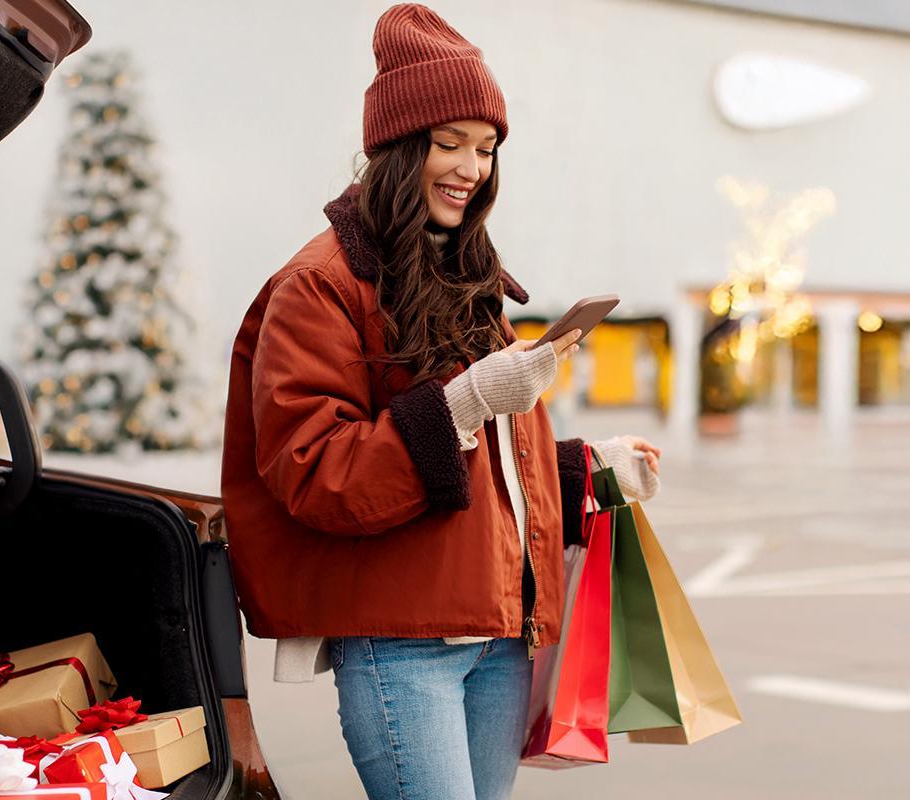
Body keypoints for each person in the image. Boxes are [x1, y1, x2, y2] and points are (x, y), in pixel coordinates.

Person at [220, 5, 661, 798]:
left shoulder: (465, 277)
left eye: (486, 147)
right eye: (448, 142)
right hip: (404, 648)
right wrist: (460, 403)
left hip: (500, 637)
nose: (471, 167)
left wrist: (586, 472)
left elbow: (487, 459)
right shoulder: (319, 285)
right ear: (395, 147)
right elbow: (315, 474)